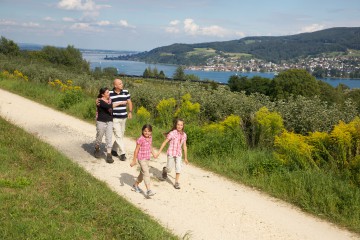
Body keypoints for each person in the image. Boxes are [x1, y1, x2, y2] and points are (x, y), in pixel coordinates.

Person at [94, 87, 126, 163]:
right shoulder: (100, 101)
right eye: (107, 92)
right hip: (101, 121)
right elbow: (109, 106)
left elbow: (112, 102)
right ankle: (97, 148)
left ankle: (109, 154)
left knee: (109, 137)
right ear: (103, 94)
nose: (109, 93)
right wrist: (120, 103)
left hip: (109, 121)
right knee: (99, 136)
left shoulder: (110, 100)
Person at [155, 118, 189, 189]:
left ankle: (176, 182)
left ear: (183, 126)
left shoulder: (184, 135)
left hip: (178, 154)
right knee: (169, 169)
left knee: (178, 167)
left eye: (181, 125)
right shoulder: (172, 133)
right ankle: (165, 170)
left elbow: (184, 146)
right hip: (171, 153)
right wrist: (159, 152)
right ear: (176, 125)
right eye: (178, 124)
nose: (179, 126)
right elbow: (165, 142)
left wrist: (185, 158)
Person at [130, 124, 157, 197]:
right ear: (142, 131)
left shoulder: (150, 138)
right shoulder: (140, 139)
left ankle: (135, 185)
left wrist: (154, 154)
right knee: (146, 173)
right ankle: (148, 190)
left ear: (151, 132)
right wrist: (134, 160)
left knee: (142, 174)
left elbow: (150, 146)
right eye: (145, 131)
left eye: (149, 131)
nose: (147, 133)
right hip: (141, 159)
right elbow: (136, 150)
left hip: (147, 158)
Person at [109, 78, 133, 161]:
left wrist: (130, 112)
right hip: (114, 118)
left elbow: (129, 102)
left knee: (121, 135)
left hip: (124, 117)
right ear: (115, 85)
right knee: (118, 135)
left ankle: (114, 150)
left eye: (122, 83)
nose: (122, 85)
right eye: (120, 84)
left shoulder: (126, 92)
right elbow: (107, 104)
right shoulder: (110, 93)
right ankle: (123, 153)